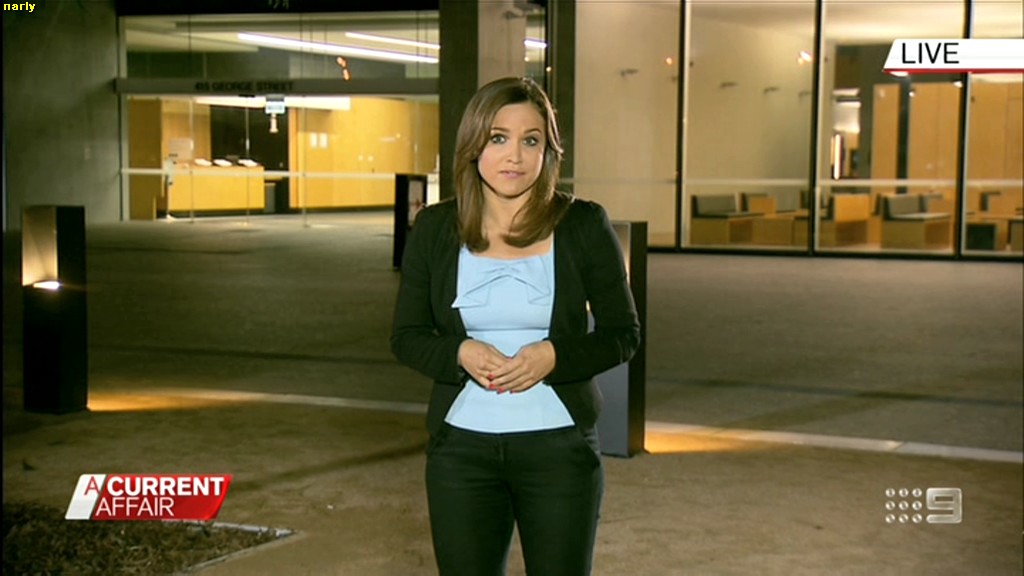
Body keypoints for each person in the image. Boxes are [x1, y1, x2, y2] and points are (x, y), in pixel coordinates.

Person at [391, 76, 640, 576]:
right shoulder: (436, 228)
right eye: (499, 138)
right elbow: (407, 336)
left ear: (548, 150)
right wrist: (459, 352)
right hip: (461, 451)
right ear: (473, 144)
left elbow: (623, 334)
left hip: (559, 449)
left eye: (531, 140)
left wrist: (554, 356)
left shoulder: (583, 225)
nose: (515, 156)